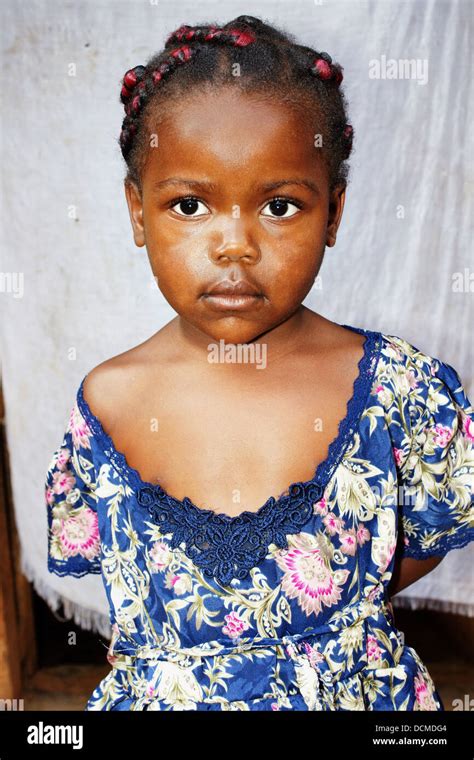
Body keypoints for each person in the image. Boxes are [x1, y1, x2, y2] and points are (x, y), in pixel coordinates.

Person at [44, 15, 474, 711]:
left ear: (332, 214)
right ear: (137, 212)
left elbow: (418, 543)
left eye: (279, 206)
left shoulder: (402, 390)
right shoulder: (109, 404)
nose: (235, 245)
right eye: (189, 204)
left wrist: (327, 612)